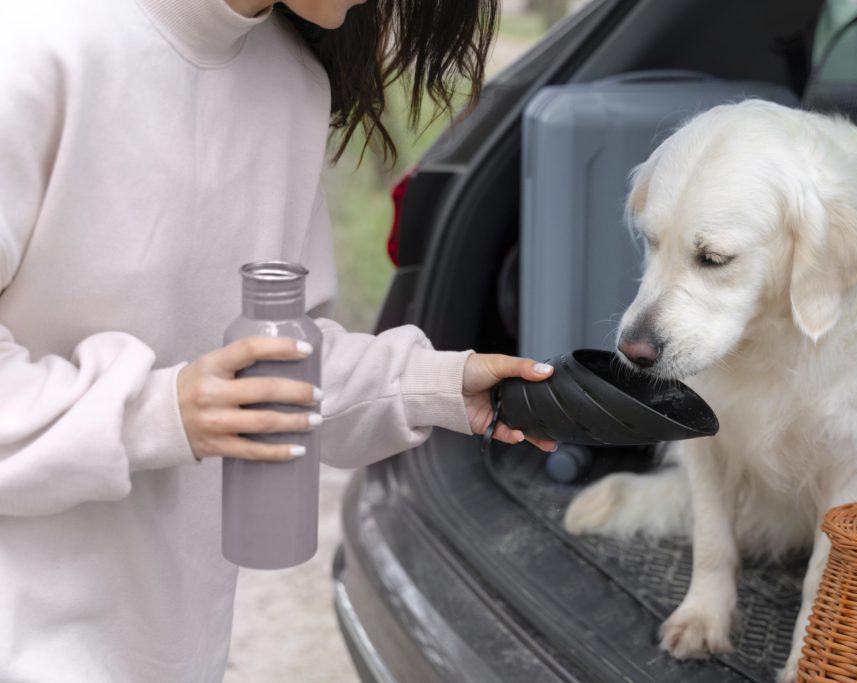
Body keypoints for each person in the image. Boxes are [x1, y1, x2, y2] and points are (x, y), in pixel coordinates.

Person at [0, 0, 556, 680]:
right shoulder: (32, 47)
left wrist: (438, 385)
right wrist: (158, 411)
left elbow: (282, 360)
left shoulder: (290, 87)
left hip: (175, 648)